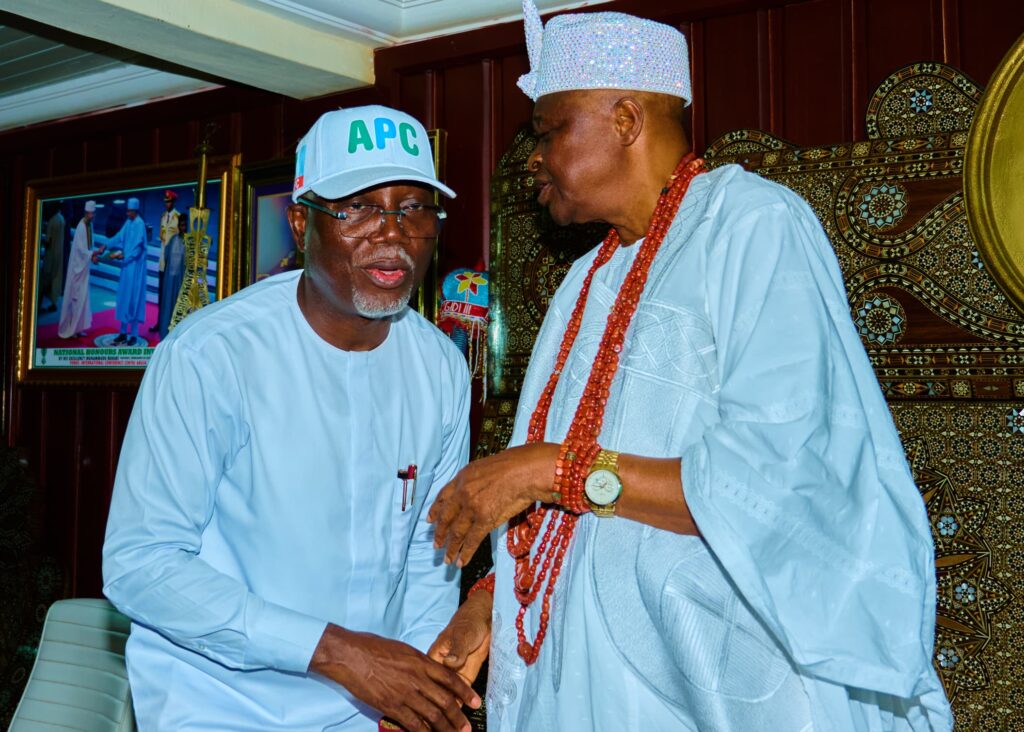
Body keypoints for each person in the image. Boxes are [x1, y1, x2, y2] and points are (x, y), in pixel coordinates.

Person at [426, 3, 954, 731]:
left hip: (708, 689)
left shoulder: (753, 225)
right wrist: (489, 605)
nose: (533, 158)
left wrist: (550, 470)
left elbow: (774, 480)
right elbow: (564, 517)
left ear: (625, 120)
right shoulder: (583, 281)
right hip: (578, 681)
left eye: (548, 132)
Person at [103, 105, 481, 731]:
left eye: (414, 207)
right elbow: (141, 565)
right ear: (302, 221)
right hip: (218, 706)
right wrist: (334, 652)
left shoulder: (439, 366)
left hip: (371, 709)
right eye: (358, 208)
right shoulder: (211, 356)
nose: (392, 234)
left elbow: (429, 553)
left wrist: (416, 687)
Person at [94, 197, 149, 345]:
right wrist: (106, 245)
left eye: (130, 211)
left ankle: (134, 335)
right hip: (126, 268)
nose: (127, 213)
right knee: (124, 298)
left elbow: (138, 249)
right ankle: (123, 333)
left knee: (133, 300)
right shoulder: (129, 222)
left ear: (135, 211)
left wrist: (123, 255)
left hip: (135, 270)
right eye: (127, 211)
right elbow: (119, 236)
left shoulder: (139, 225)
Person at [58, 200, 104, 339]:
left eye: (93, 213)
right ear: (86, 212)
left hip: (84, 269)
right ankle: (71, 330)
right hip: (77, 269)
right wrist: (94, 253)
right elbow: (81, 250)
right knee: (76, 300)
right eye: (91, 213)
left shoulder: (90, 225)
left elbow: (89, 246)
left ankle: (79, 329)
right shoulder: (81, 226)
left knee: (83, 300)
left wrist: (93, 256)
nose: (93, 215)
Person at [151, 189, 181, 332]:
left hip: (173, 263)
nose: (166, 204)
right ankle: (160, 321)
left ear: (173, 202)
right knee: (161, 294)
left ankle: (171, 322)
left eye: (169, 202)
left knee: (171, 294)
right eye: (165, 202)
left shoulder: (178, 217)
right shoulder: (163, 217)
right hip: (163, 262)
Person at [156, 212, 187, 338]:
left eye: (185, 225)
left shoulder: (189, 241)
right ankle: (166, 333)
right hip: (170, 280)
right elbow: (167, 256)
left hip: (182, 280)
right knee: (168, 304)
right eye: (181, 225)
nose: (183, 228)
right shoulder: (173, 240)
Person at [38, 204, 66, 313]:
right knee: (56, 280)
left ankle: (38, 305)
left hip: (50, 256)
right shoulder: (62, 219)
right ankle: (54, 303)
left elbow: (48, 241)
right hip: (59, 254)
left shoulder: (51, 222)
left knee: (44, 281)